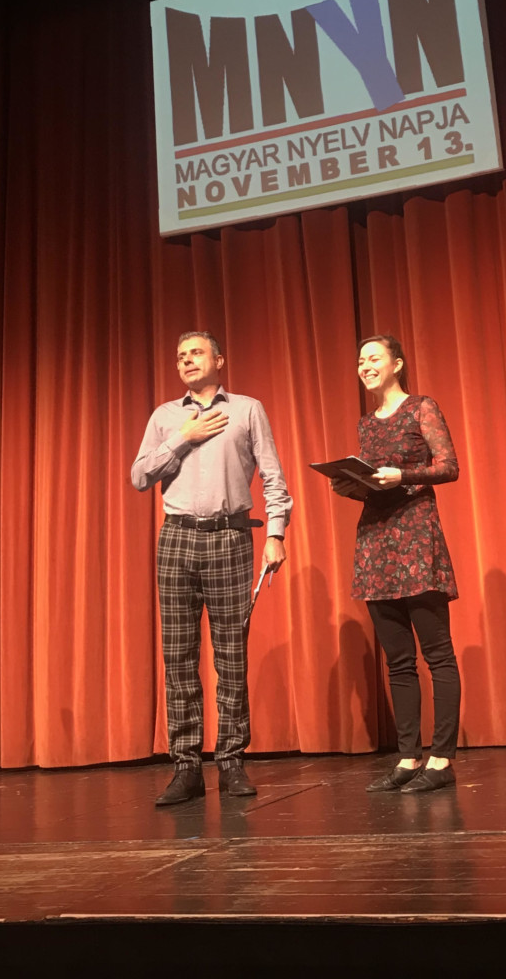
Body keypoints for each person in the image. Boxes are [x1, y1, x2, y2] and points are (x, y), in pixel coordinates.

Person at [131, 331, 291, 805]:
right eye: (181, 356)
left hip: (230, 535)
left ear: (219, 360)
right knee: (178, 655)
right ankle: (186, 767)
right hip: (177, 537)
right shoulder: (166, 417)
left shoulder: (246, 409)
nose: (187, 360)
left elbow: (273, 476)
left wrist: (276, 533)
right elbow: (139, 476)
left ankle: (231, 760)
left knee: (231, 654)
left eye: (196, 353)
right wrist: (184, 438)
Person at [332, 334, 461, 793]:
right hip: (376, 544)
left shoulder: (421, 407)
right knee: (398, 661)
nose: (365, 366)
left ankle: (441, 760)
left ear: (397, 364)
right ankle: (409, 758)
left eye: (373, 358)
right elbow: (376, 483)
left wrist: (402, 474)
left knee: (437, 654)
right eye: (360, 360)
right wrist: (352, 486)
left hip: (416, 540)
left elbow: (449, 466)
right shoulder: (366, 424)